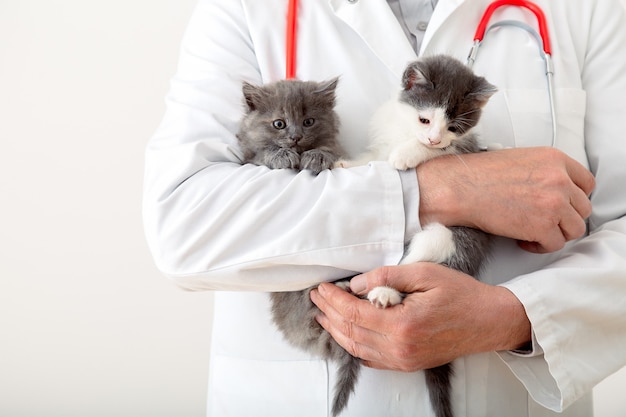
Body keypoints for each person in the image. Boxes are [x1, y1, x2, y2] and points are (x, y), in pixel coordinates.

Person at [142, 0, 626, 416]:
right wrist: (439, 189)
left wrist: (516, 316)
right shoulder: (244, 9)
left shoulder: (588, 9)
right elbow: (183, 222)